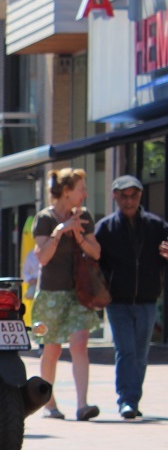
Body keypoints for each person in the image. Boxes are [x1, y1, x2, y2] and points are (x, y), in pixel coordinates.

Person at [93, 175, 168, 419]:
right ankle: (127, 400)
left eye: (133, 195)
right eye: (123, 196)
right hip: (117, 301)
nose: (128, 201)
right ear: (115, 196)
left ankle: (132, 398)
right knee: (126, 350)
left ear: (140, 197)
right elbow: (96, 263)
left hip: (147, 299)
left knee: (141, 352)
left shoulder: (157, 226)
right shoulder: (105, 228)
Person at [31, 167, 103, 421]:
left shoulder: (84, 217)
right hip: (51, 294)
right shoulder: (45, 218)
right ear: (67, 192)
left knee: (79, 344)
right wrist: (60, 231)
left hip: (78, 292)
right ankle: (49, 403)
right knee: (52, 351)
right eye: (81, 189)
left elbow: (96, 253)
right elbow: (43, 258)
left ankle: (82, 405)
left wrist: (79, 235)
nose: (85, 193)